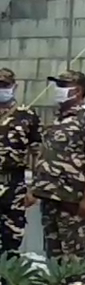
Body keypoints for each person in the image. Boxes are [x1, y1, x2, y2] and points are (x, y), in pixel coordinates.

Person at [25, 70, 85, 285]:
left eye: (64, 85)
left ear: (79, 90)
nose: (58, 89)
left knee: (75, 258)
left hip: (74, 200)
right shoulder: (59, 119)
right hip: (51, 198)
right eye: (57, 84)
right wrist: (35, 189)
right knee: (54, 256)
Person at [0, 69, 40, 267]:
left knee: (11, 244)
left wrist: (35, 189)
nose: (1, 90)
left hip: (13, 186)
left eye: (5, 86)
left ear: (14, 87)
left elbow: (38, 154)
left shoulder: (27, 116)